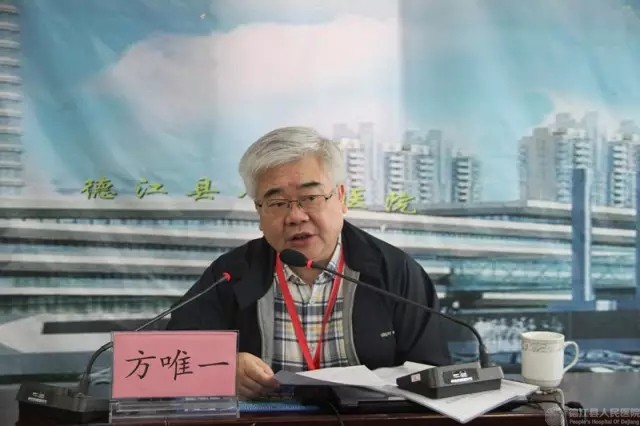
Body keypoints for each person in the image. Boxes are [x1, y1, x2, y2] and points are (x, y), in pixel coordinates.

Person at [167, 126, 449, 399]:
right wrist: (224, 365)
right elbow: (171, 356)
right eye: (277, 203)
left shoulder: (395, 272)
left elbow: (432, 373)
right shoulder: (231, 273)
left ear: (341, 198)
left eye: (310, 197)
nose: (296, 216)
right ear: (259, 212)